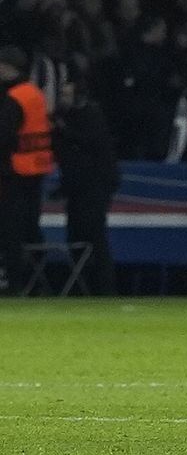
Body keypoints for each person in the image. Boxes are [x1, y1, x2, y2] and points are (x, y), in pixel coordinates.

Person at [51, 82, 120, 295]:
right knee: (76, 235)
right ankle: (84, 287)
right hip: (78, 189)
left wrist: (63, 131)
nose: (62, 98)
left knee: (95, 236)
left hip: (94, 187)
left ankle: (105, 289)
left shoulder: (90, 116)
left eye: (67, 94)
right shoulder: (67, 119)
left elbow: (89, 146)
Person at [0, 46, 55, 294]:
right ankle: (37, 282)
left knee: (10, 230)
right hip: (36, 169)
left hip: (16, 170)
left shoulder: (14, 98)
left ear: (7, 67)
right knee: (30, 229)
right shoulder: (33, 93)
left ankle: (14, 284)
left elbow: (3, 133)